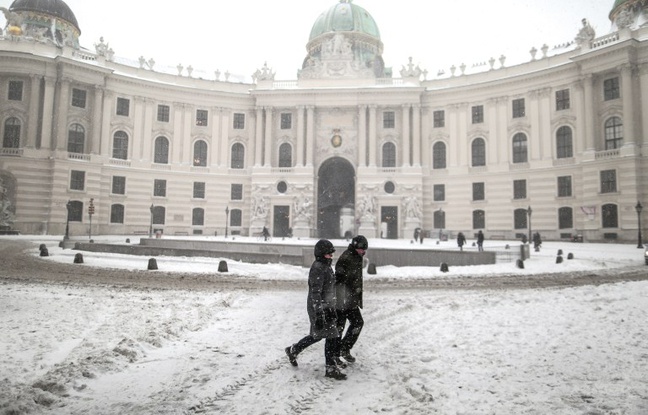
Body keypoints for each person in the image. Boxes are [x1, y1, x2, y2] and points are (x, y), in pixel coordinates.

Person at [285, 239, 346, 380]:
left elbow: (329, 288)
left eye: (331, 253)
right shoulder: (318, 267)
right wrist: (319, 313)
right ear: (320, 254)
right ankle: (330, 369)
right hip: (319, 307)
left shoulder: (326, 266)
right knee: (331, 335)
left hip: (326, 306)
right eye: (328, 254)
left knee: (317, 335)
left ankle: (293, 350)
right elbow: (315, 293)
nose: (331, 256)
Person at [334, 235, 368, 365]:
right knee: (339, 327)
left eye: (364, 250)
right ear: (355, 247)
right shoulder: (346, 258)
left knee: (358, 323)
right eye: (361, 249)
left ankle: (344, 348)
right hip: (343, 300)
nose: (363, 252)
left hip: (351, 299)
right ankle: (336, 354)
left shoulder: (356, 257)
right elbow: (339, 279)